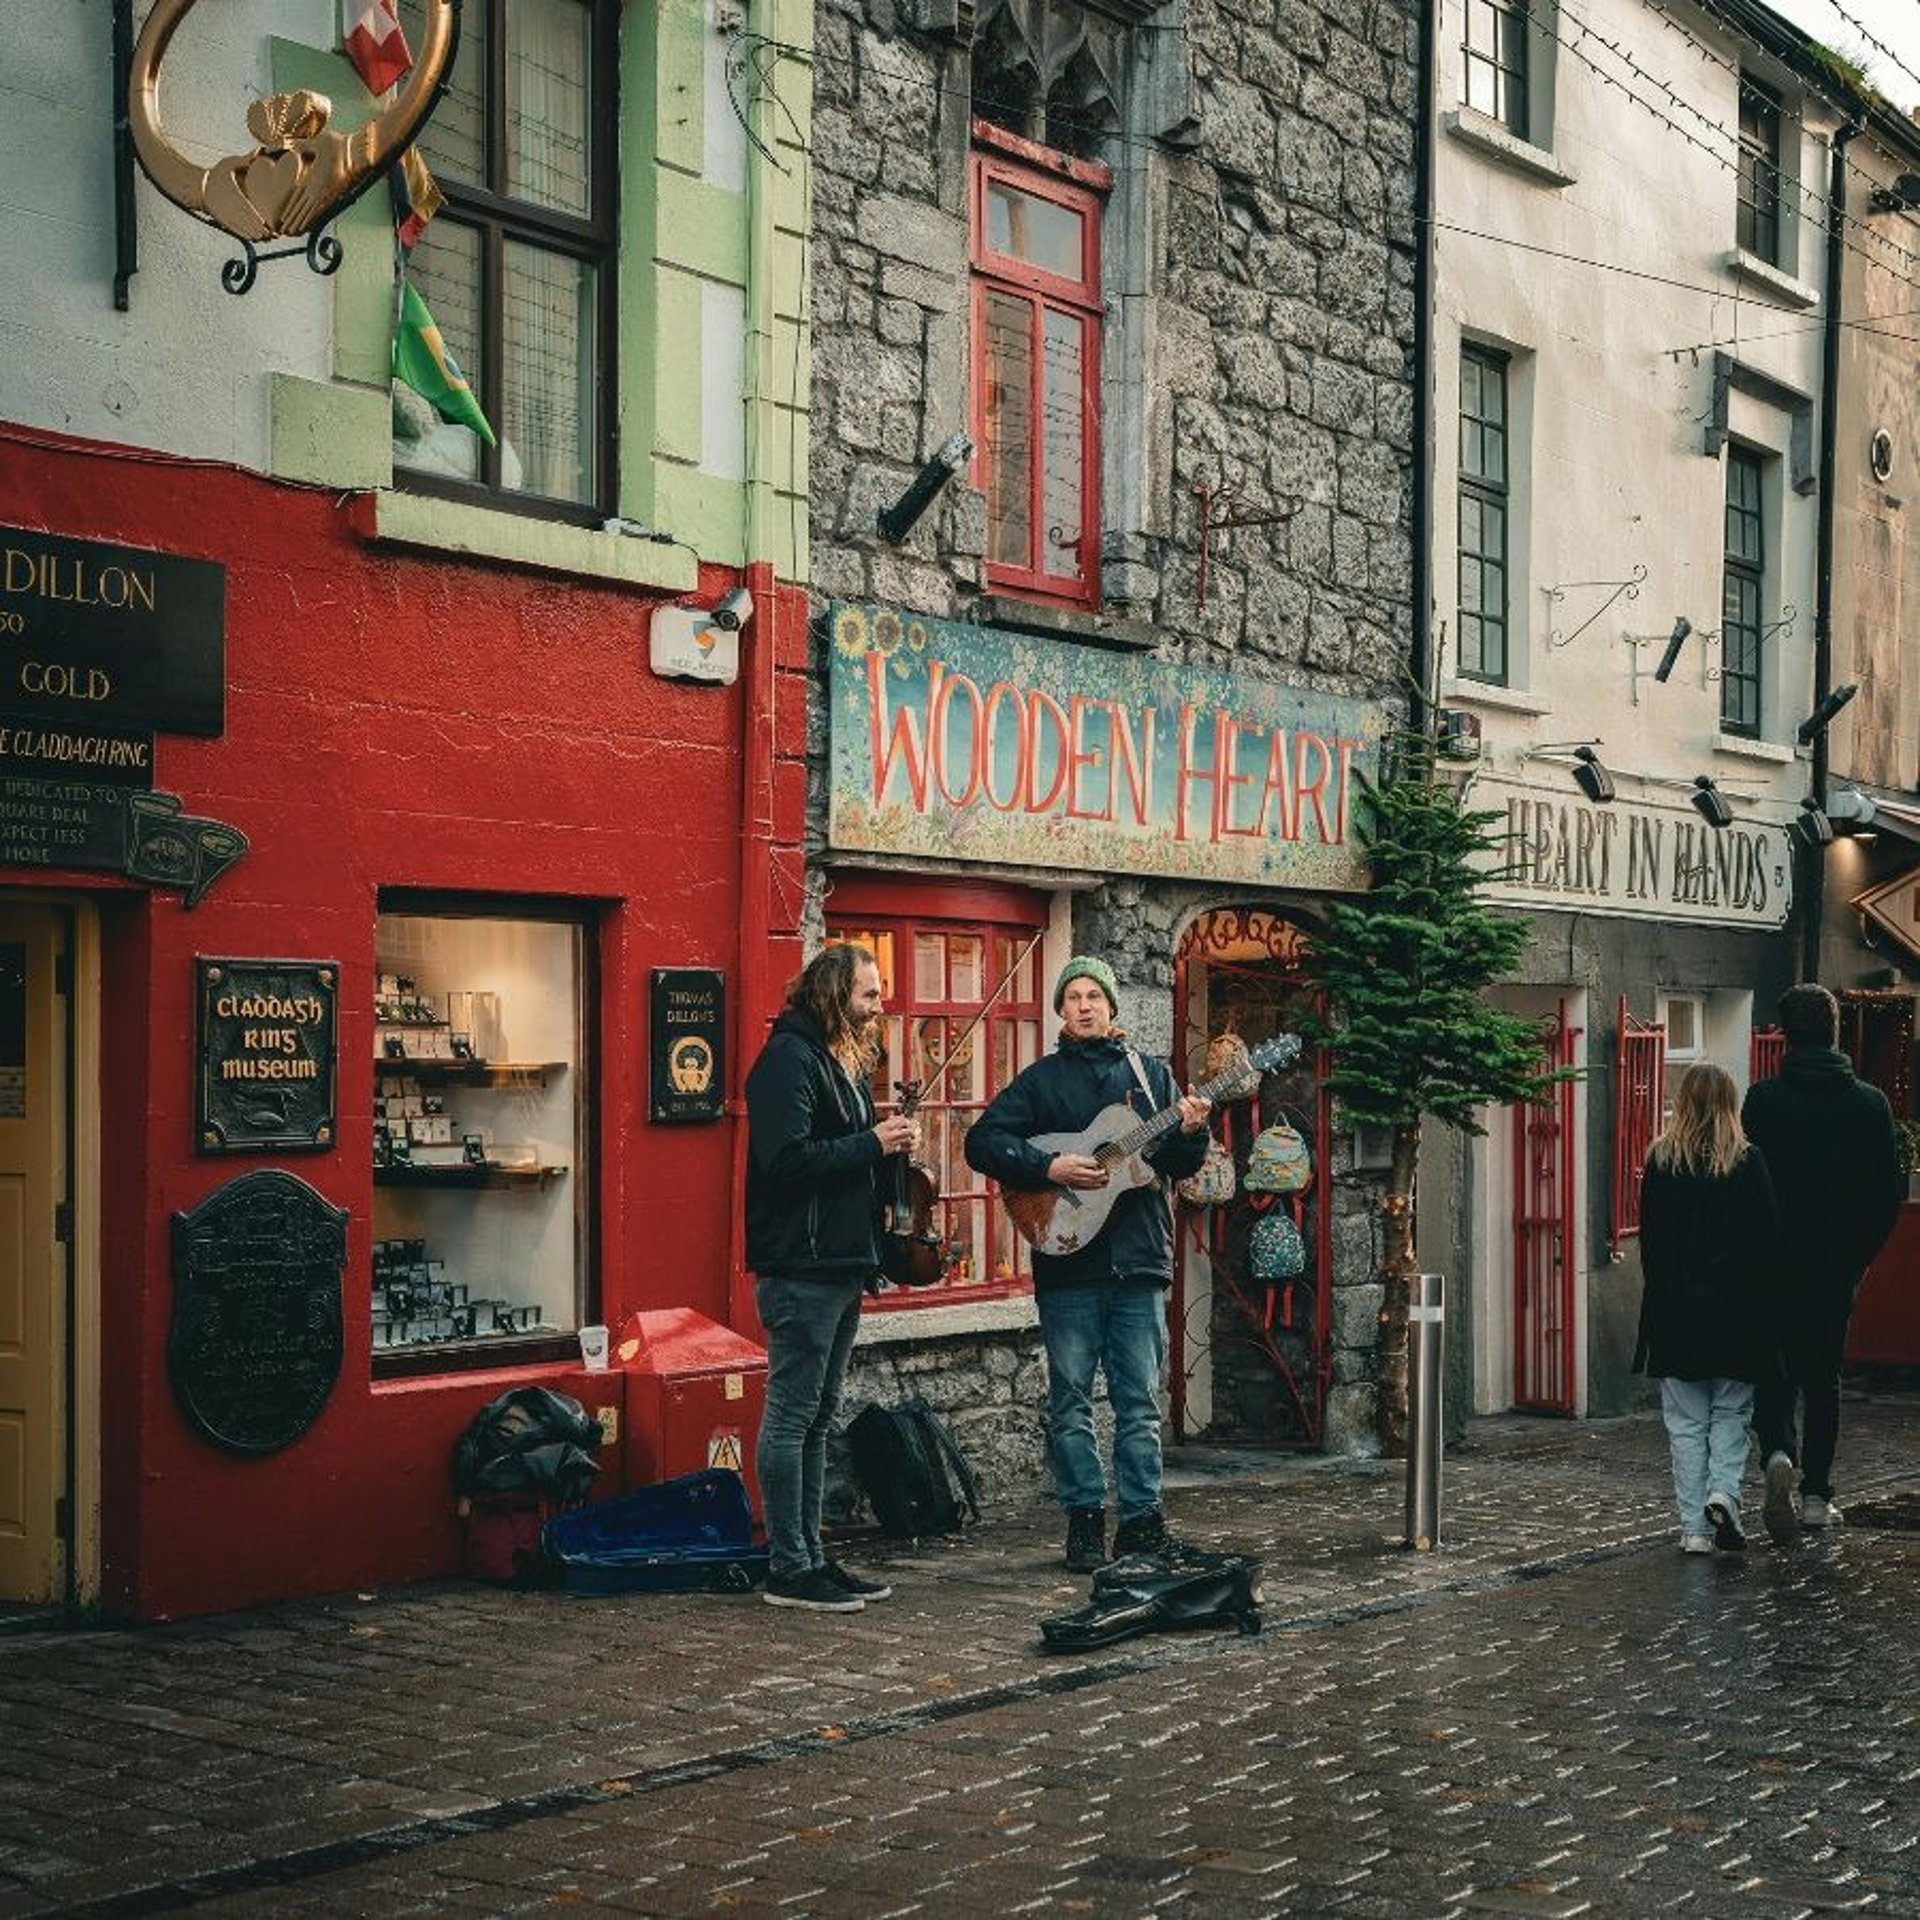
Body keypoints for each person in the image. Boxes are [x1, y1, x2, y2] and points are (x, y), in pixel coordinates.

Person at [965, 956, 1211, 1571]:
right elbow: (981, 1141)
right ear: (1061, 1011)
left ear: (1111, 1006)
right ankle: (1082, 1522)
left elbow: (1180, 1165)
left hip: (1138, 1264)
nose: (1083, 1005)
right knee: (1070, 1401)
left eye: (1093, 995)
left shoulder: (1150, 1076)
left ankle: (1141, 1525)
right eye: (1072, 996)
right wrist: (1046, 1167)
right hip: (1068, 1263)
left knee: (1139, 1404)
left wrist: (1192, 1131)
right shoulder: (1040, 1082)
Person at [744, 944, 919, 1611]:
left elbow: (841, 1153)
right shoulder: (788, 1059)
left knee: (819, 1416)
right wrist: (872, 1143)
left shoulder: (837, 1061)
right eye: (870, 995)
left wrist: (888, 1142)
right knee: (792, 1415)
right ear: (835, 993)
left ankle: (811, 1554)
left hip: (842, 1263)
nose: (880, 1006)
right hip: (802, 1265)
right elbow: (786, 1160)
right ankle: (788, 1566)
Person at [1742, 982, 1903, 1540]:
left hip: (1772, 1260)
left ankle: (1777, 1453)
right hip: (1835, 1264)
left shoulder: (1763, 1102)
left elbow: (1746, 1185)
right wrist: (1858, 1254)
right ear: (1834, 1033)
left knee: (1775, 1367)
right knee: (1824, 1376)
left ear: (1786, 1036)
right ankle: (1816, 1496)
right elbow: (1889, 1192)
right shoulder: (1869, 1103)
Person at [1635, 1063, 1784, 1554]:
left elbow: (1652, 1245)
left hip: (1678, 1314)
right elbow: (1768, 1244)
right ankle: (1723, 1492)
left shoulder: (1661, 1161)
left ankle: (1693, 1529)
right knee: (1730, 1413)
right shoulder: (1747, 1161)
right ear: (1729, 1104)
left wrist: (1661, 1300)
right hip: (1737, 1314)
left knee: (1685, 1424)